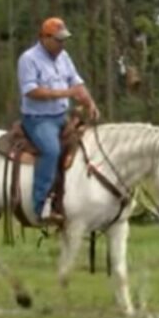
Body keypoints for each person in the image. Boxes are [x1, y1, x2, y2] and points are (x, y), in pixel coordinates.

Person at [17, 17, 99, 224]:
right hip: (37, 119)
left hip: (61, 116)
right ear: (44, 38)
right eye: (58, 40)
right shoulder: (28, 59)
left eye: (64, 40)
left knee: (87, 144)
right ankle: (40, 205)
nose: (61, 44)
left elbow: (77, 83)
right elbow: (31, 91)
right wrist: (66, 93)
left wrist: (90, 103)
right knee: (51, 150)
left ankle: (78, 199)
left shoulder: (64, 57)